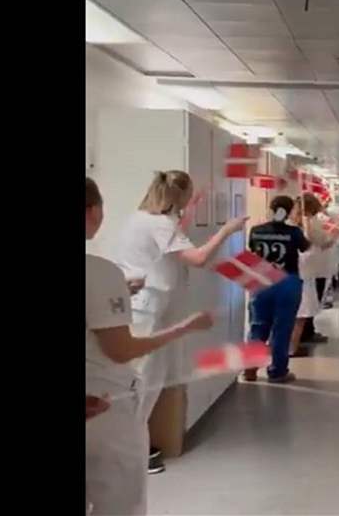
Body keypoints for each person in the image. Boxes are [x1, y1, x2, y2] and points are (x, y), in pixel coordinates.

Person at [86, 177, 215, 515]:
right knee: (119, 502)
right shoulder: (100, 272)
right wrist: (185, 328)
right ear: (93, 212)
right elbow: (121, 350)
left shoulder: (132, 231)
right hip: (101, 407)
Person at [112, 171, 247, 474]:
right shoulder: (160, 224)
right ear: (179, 196)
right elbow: (197, 258)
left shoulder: (141, 219)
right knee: (144, 379)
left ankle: (134, 445)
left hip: (145, 307)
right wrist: (227, 231)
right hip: (146, 309)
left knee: (151, 377)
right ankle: (131, 451)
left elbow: (172, 249)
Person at [244, 195, 310, 383]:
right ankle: (277, 371)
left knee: (257, 326)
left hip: (261, 281)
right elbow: (306, 247)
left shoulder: (256, 230)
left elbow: (252, 249)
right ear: (289, 211)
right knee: (282, 328)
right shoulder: (294, 232)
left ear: (271, 209)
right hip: (287, 282)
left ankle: (250, 368)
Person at [289, 193, 338, 355]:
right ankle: (300, 339)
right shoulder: (301, 226)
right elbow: (318, 243)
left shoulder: (311, 223)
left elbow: (320, 242)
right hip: (306, 270)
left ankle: (304, 336)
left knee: (308, 306)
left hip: (312, 269)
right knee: (304, 307)